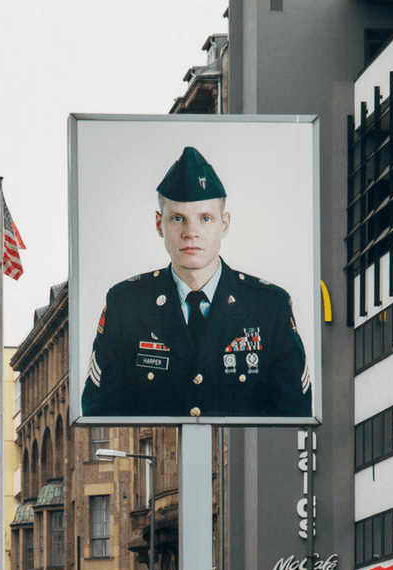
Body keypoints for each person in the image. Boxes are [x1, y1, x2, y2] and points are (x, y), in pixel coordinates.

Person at [81, 146, 311, 421]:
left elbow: (295, 415)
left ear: (224, 224)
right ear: (159, 224)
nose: (191, 233)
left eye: (205, 219)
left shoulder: (269, 307)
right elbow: (100, 413)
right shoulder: (126, 304)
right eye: (178, 218)